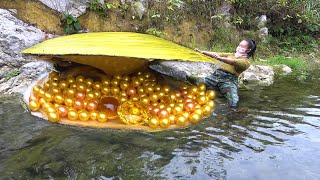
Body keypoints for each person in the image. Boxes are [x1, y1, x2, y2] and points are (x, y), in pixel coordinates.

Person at [189, 39, 256, 110]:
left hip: (228, 81)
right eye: (239, 45)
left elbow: (233, 62)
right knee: (193, 80)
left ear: (248, 50)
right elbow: (216, 54)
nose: (239, 47)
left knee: (234, 100)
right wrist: (202, 52)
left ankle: (234, 114)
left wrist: (221, 59)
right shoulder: (231, 54)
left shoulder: (246, 62)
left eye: (242, 47)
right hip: (215, 76)